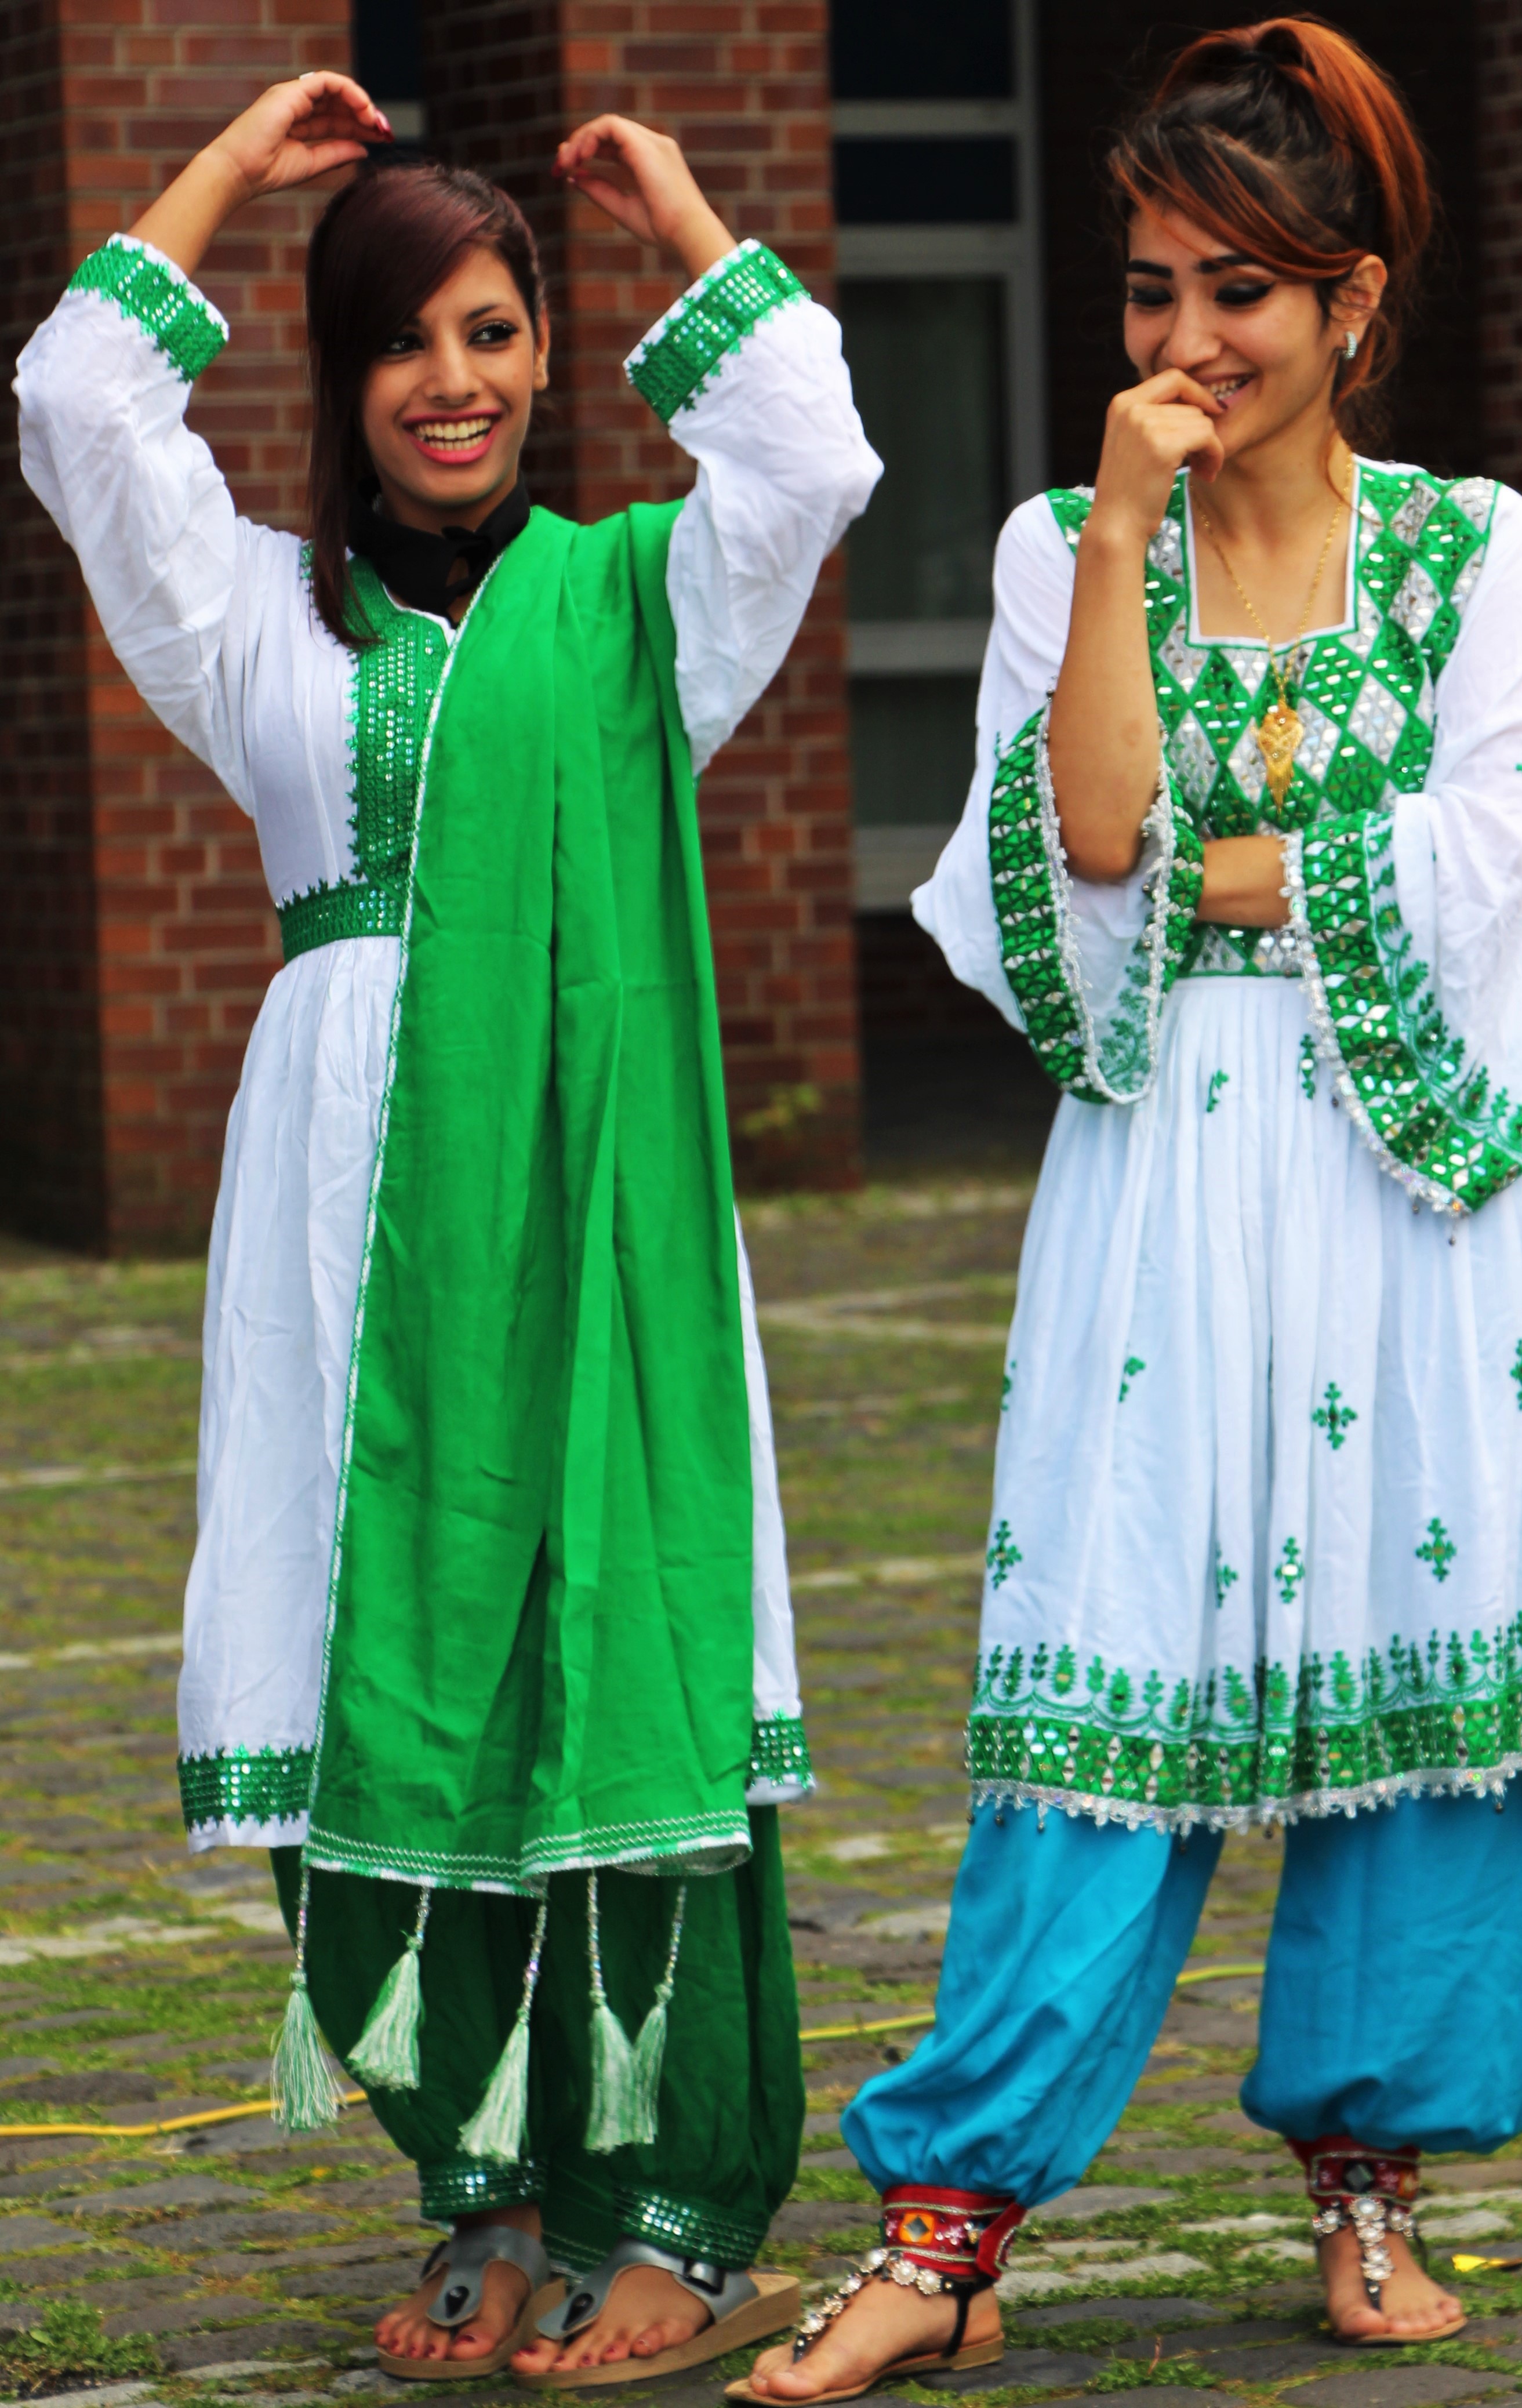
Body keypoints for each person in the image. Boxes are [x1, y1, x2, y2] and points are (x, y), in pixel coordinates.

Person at [17, 71, 880, 2386]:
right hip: (336, 1236)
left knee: (612, 1641)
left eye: (493, 327)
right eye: (402, 337)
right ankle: (479, 2178)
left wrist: (675, 203)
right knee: (362, 1654)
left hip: (587, 1218)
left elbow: (807, 456)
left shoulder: (635, 615)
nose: (453, 378)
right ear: (343, 373)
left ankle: (677, 2204)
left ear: (545, 347)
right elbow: (79, 407)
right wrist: (230, 169)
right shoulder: (256, 631)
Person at [741, 19, 1522, 2399]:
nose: (1185, 339)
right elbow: (1081, 849)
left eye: (1238, 289)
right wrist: (1109, 538)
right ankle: (948, 2226)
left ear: (1350, 301)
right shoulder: (1053, 548)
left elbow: (1494, 860)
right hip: (1159, 1177)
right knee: (1100, 1660)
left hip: (1400, 1192)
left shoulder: (1479, 555)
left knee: (1415, 1690)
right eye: (1148, 285)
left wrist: (1238, 872)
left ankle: (1370, 2182)